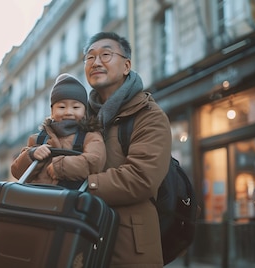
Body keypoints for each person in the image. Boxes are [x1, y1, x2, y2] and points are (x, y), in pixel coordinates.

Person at [82, 32, 172, 267]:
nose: (96, 62)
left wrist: (83, 186)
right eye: (90, 57)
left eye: (106, 54)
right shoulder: (82, 117)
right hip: (81, 239)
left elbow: (141, 178)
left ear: (126, 66)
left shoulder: (149, 115)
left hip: (128, 249)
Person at [11, 73, 106, 188]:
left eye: (76, 107)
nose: (68, 112)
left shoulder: (90, 136)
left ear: (85, 112)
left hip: (69, 201)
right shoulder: (38, 139)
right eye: (61, 107)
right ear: (52, 111)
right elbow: (17, 172)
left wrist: (60, 166)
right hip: (36, 200)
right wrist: (31, 154)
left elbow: (95, 162)